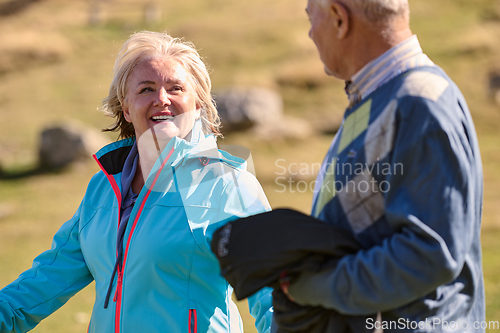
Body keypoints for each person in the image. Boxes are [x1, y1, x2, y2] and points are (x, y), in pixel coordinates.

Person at [0, 31, 273, 333]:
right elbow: (43, 283)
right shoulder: (103, 189)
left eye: (176, 88)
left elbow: (273, 292)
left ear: (197, 106)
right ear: (126, 108)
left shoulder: (225, 184)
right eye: (146, 89)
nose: (162, 100)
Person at [280, 0, 484, 332]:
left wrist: (311, 287)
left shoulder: (419, 103)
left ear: (339, 19)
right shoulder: (380, 96)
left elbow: (430, 254)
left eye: (310, 18)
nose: (310, 34)